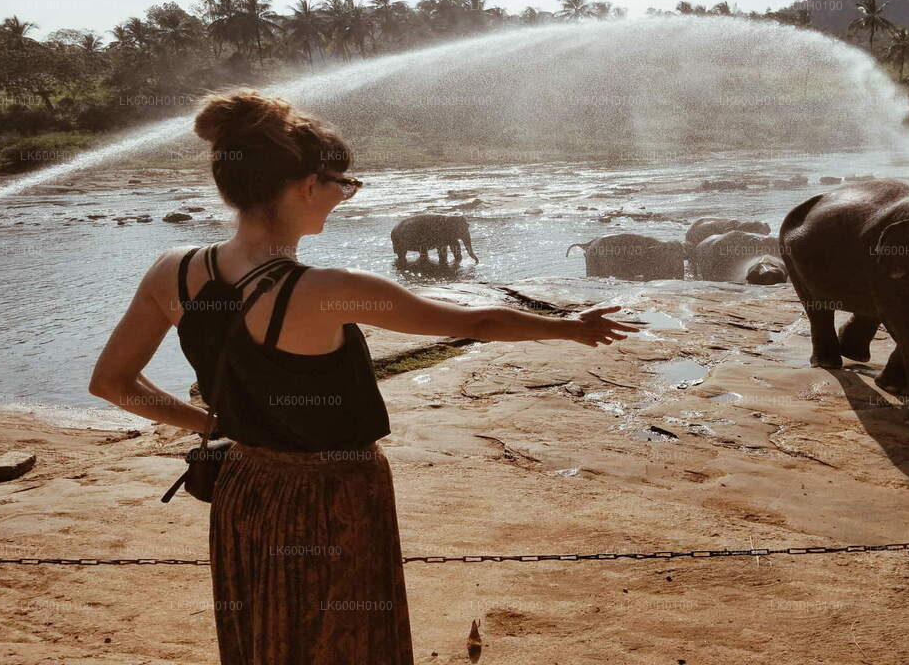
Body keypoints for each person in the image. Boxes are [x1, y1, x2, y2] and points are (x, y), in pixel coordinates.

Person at [88, 89, 638, 664]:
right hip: (335, 495)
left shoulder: (172, 270)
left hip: (244, 489)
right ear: (307, 186)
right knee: (347, 641)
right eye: (343, 185)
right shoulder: (329, 289)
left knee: (263, 635)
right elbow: (480, 321)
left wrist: (210, 421)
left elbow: (112, 383)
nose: (344, 198)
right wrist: (571, 328)